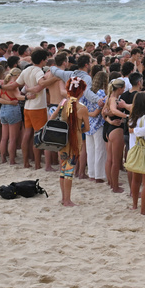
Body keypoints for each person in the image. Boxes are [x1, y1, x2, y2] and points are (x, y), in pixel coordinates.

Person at [50, 78, 90, 206]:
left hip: (62, 139)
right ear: (81, 91)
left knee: (63, 169)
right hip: (74, 141)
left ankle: (63, 198)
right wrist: (78, 130)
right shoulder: (82, 108)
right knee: (69, 171)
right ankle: (67, 200)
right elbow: (87, 128)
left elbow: (52, 118)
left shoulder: (63, 103)